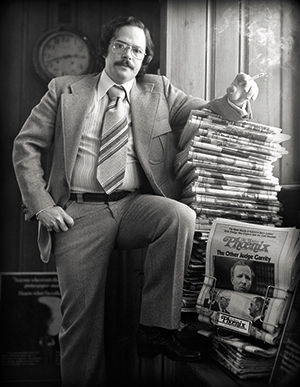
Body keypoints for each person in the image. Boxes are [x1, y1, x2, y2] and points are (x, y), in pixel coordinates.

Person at [12, 15, 259, 387]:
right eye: (121, 45)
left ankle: (155, 326)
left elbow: (206, 111)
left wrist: (233, 101)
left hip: (132, 206)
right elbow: (26, 146)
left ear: (145, 60)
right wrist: (42, 204)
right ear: (106, 49)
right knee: (80, 322)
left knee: (178, 216)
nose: (128, 55)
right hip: (77, 212)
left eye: (137, 50)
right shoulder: (64, 89)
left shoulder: (158, 90)